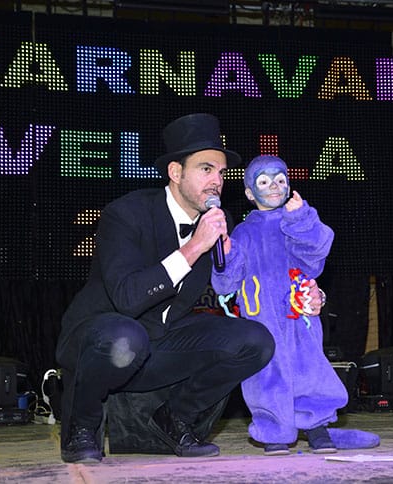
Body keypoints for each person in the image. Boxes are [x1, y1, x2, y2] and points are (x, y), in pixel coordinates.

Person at [54, 114, 326, 464]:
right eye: (206, 169)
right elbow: (127, 298)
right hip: (104, 344)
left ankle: (176, 417)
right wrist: (195, 247)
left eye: (221, 173)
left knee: (255, 340)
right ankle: (81, 427)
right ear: (175, 172)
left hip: (160, 344)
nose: (217, 181)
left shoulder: (220, 222)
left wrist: (310, 296)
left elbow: (258, 277)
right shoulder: (126, 213)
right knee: (125, 337)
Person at [211, 155, 347, 456]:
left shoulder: (296, 220)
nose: (274, 186)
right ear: (249, 193)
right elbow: (226, 285)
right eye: (263, 181)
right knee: (267, 372)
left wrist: (301, 219)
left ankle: (317, 425)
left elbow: (314, 260)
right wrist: (227, 255)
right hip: (261, 317)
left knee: (309, 365)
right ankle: (274, 428)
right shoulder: (243, 232)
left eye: (280, 179)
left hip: (299, 314)